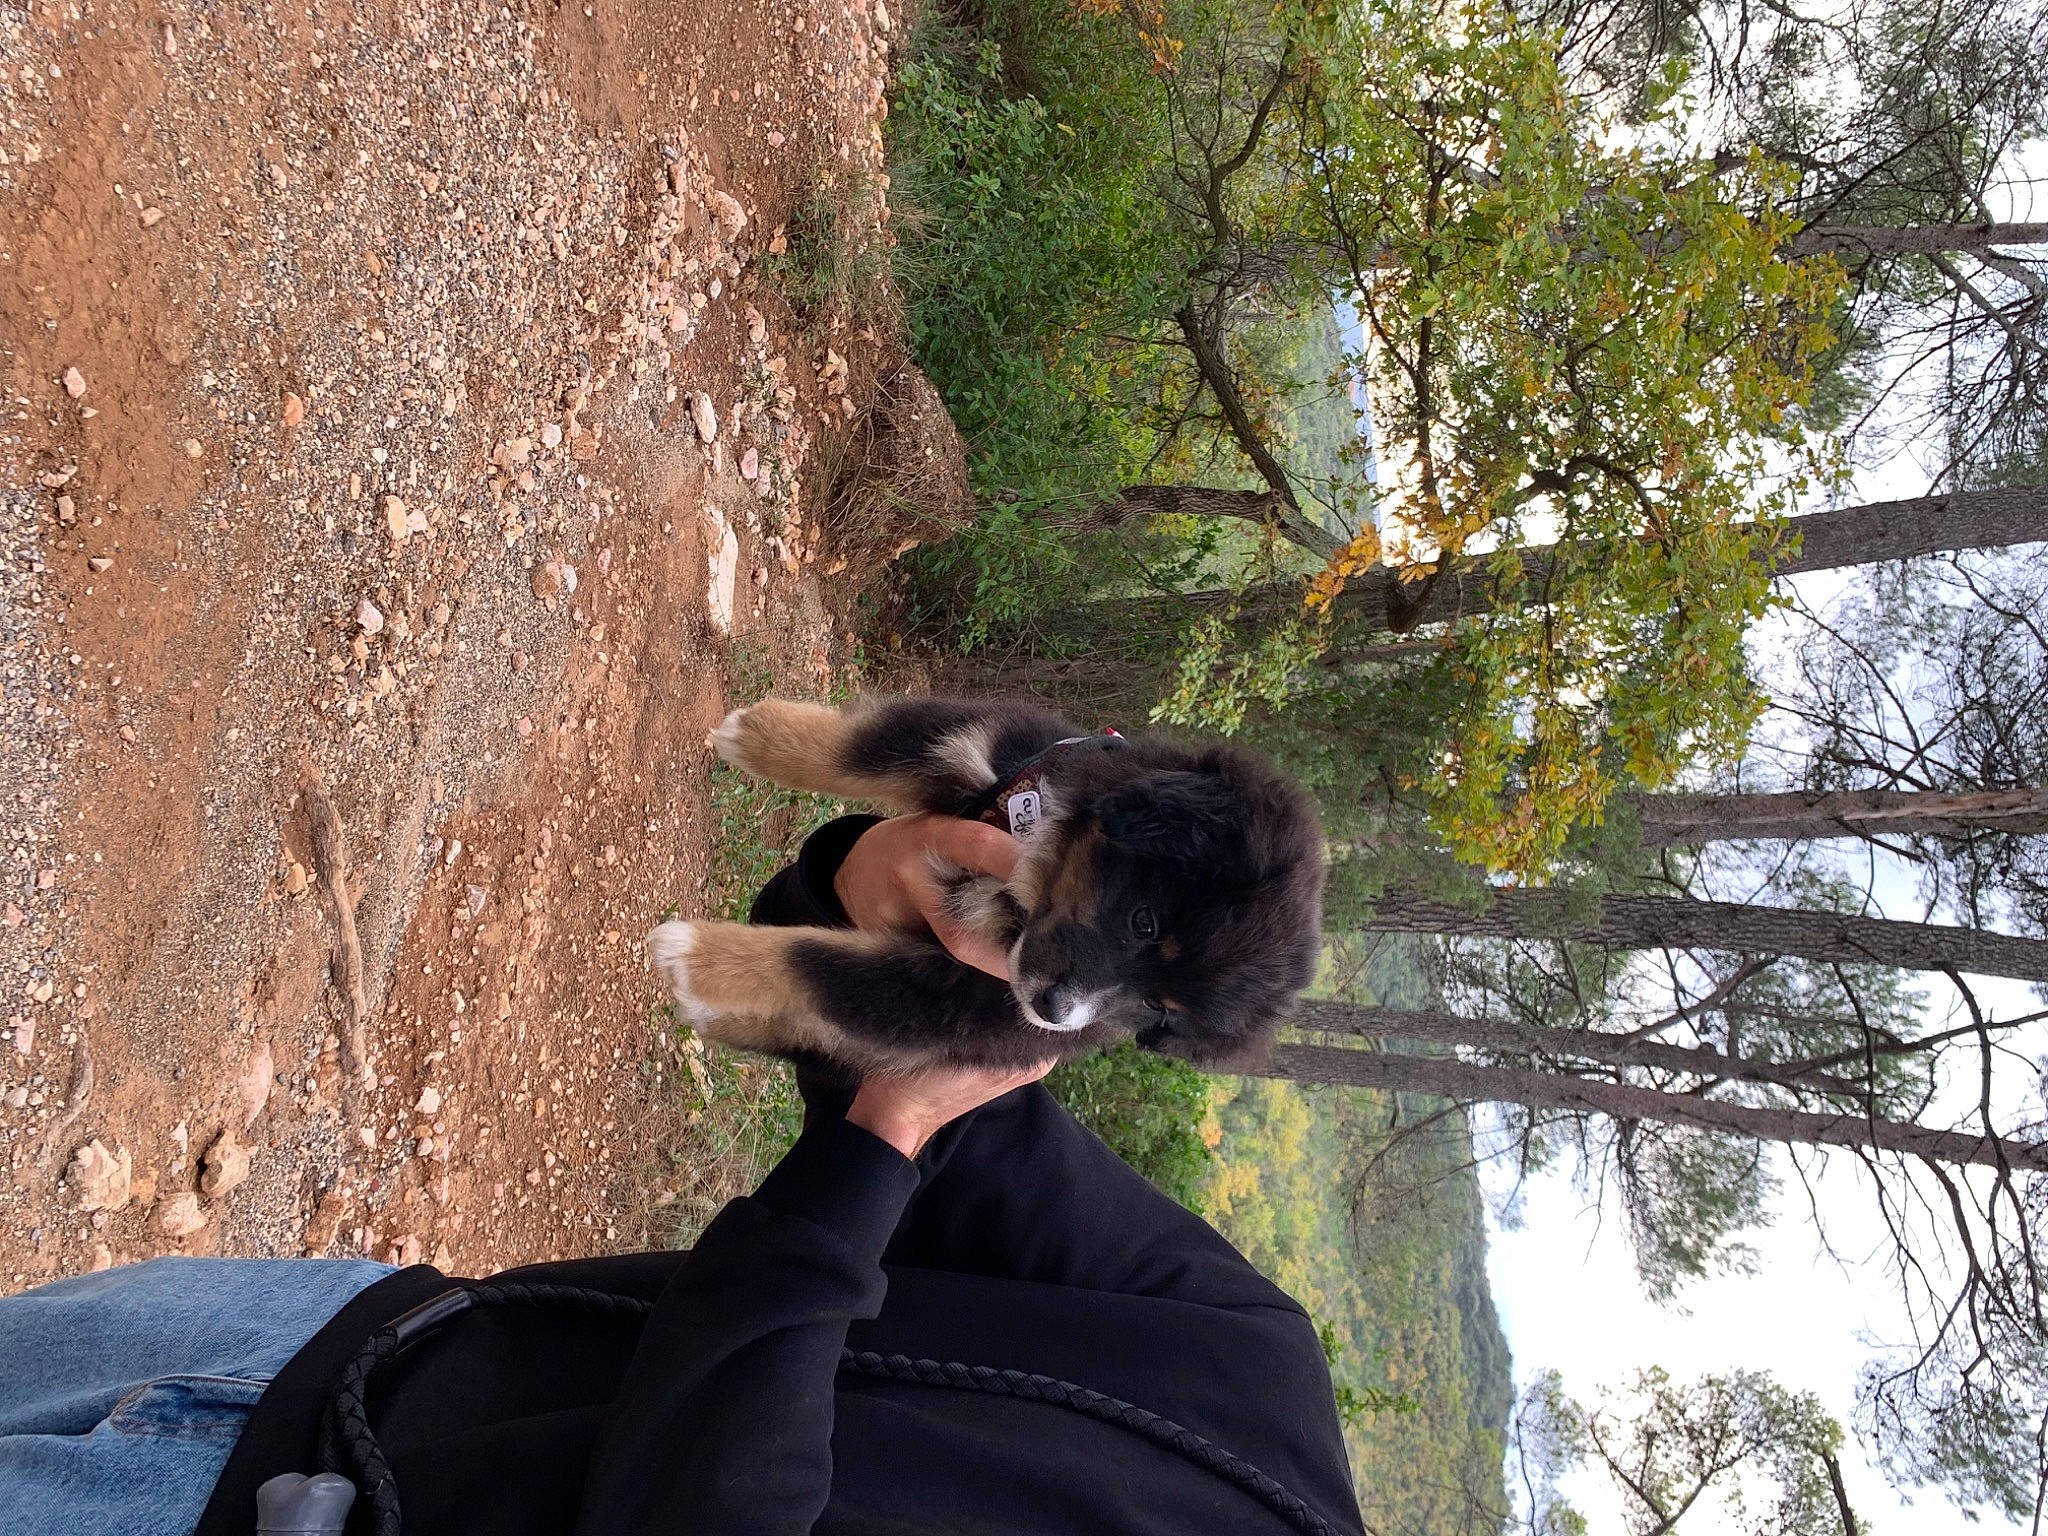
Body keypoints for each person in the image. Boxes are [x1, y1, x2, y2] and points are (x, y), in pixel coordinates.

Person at [0, 812, 1362, 1536]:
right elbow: (956, 1122)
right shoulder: (1249, 1383)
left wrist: (868, 1152)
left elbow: (889, 1145)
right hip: (325, 1342)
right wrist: (863, 897)